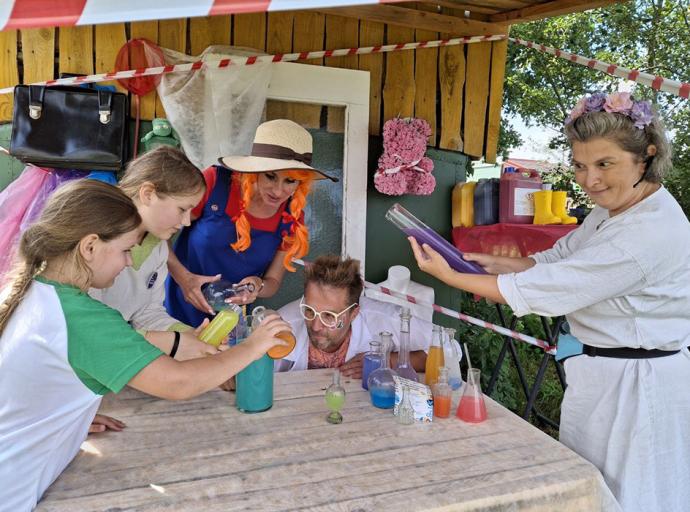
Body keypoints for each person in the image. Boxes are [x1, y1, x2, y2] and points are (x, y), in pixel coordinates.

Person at [408, 91, 690, 512]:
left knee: (631, 496)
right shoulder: (613, 209)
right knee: (589, 489)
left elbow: (549, 288)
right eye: (580, 165)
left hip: (638, 387)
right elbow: (558, 259)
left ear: (646, 157)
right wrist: (490, 262)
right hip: (603, 374)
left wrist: (452, 275)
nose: (589, 180)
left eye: (604, 164)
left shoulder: (646, 233)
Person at [0, 180, 290, 511]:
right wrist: (254, 345)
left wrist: (66, 419)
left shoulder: (40, 292)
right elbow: (178, 383)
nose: (128, 263)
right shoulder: (81, 318)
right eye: (125, 250)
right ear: (90, 247)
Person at [165, 119, 338, 327]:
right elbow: (159, 232)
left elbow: (273, 281)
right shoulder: (215, 184)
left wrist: (258, 286)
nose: (277, 191)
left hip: (227, 324)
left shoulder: (291, 215)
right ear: (256, 169)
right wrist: (184, 279)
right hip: (172, 310)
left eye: (290, 181)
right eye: (271, 177)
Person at [89, 147, 215, 360]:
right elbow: (90, 330)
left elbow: (146, 312)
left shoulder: (157, 246)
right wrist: (173, 342)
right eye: (182, 209)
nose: (185, 221)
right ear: (148, 194)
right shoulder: (96, 240)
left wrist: (189, 335)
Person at [274, 255, 432, 377]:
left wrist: (388, 362)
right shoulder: (284, 323)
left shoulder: (383, 318)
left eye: (329, 316)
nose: (315, 326)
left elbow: (448, 349)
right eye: (309, 310)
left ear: (353, 313)